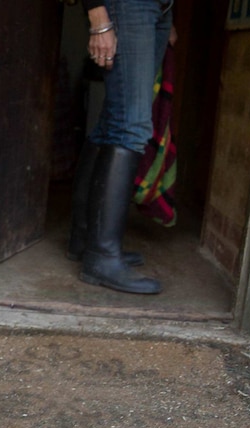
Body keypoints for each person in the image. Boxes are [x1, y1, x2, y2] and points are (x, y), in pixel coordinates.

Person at [67, 0, 174, 294]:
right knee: (132, 125)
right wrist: (97, 13)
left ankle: (86, 238)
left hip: (158, 8)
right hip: (127, 5)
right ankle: (101, 257)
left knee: (115, 120)